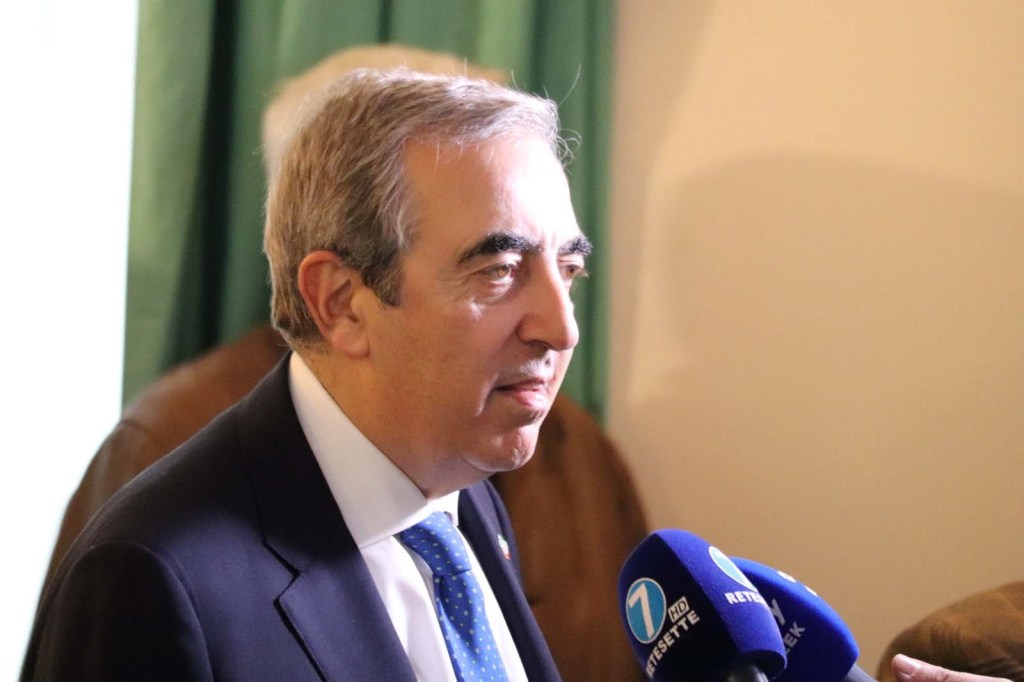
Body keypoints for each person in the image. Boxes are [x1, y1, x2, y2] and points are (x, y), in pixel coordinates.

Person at [23, 68, 588, 681]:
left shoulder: (463, 493)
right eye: (499, 271)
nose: (562, 330)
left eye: (568, 271)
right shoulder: (151, 578)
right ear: (341, 302)